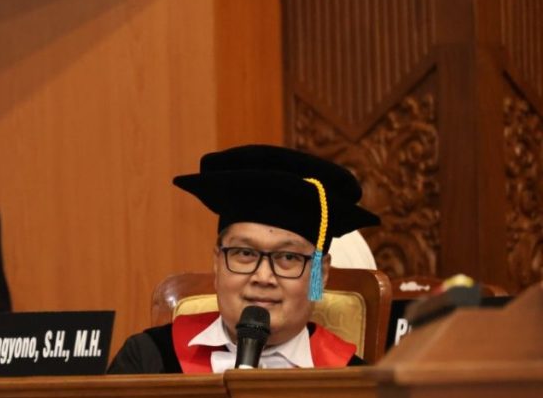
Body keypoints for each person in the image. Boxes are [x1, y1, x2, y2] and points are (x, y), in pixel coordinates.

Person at [108, 144, 380, 374]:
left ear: (321, 273)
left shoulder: (354, 384)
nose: (263, 277)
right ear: (217, 263)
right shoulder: (148, 361)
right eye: (245, 254)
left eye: (288, 257)